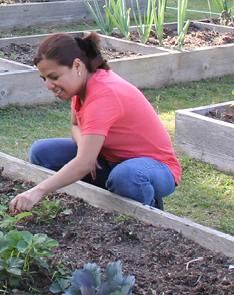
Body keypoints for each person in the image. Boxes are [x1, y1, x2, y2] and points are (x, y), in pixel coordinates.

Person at [10, 33, 182, 213]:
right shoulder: (81, 87)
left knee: (126, 176)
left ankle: (152, 212)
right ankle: (104, 202)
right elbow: (76, 126)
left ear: (77, 65)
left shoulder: (103, 94)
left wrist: (38, 191)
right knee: (42, 152)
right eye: (44, 78)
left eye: (54, 77)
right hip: (109, 161)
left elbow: (84, 163)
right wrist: (86, 151)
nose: (48, 85)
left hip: (154, 169)